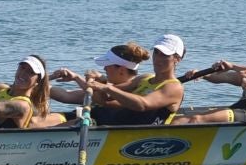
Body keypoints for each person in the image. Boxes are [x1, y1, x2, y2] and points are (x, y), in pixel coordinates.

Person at [55, 37, 187, 126]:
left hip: (136, 137)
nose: (158, 59)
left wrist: (107, 87)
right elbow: (106, 99)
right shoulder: (145, 78)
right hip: (113, 124)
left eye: (165, 55)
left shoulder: (174, 88)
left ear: (177, 59)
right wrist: (97, 83)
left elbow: (143, 104)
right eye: (156, 52)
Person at [170, 32, 246, 124]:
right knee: (184, 119)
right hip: (241, 112)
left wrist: (232, 66)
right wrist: (202, 74)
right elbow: (227, 78)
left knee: (195, 119)